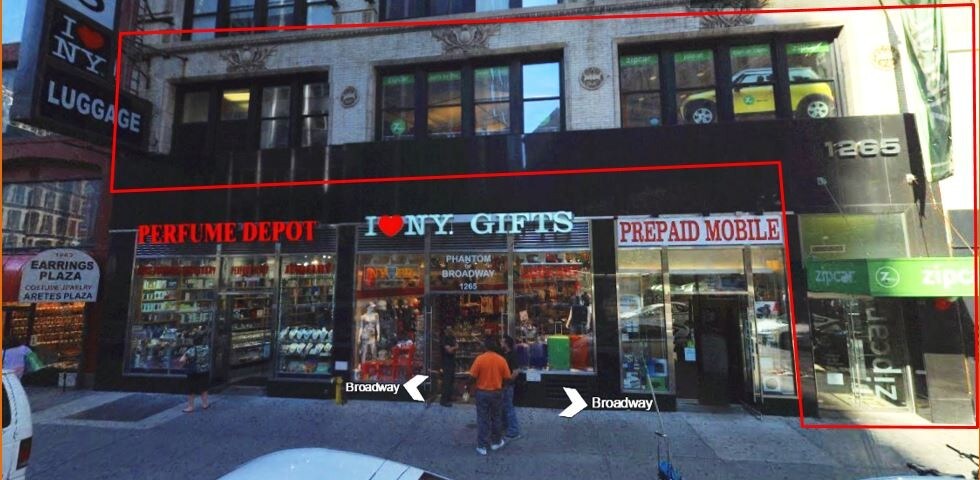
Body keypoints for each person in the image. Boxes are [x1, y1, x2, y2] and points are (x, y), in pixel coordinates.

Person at [468, 336, 511, 455]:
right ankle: (496, 442)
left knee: (483, 419)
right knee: (496, 418)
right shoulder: (501, 360)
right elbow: (507, 378)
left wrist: (468, 388)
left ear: (485, 346)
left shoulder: (480, 359)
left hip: (482, 393)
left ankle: (482, 446)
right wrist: (501, 387)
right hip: (497, 392)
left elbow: (472, 377)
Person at [179, 332, 211, 412]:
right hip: (204, 370)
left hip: (194, 371)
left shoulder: (192, 350)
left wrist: (184, 364)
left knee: (191, 389)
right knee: (204, 387)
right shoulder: (207, 348)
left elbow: (181, 360)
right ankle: (205, 404)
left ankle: (190, 407)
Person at [499, 335, 522, 440]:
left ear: (506, 344)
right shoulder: (505, 354)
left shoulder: (512, 355)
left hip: (508, 386)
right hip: (504, 385)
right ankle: (505, 426)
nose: (500, 343)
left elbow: (516, 371)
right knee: (504, 407)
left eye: (502, 342)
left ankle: (514, 431)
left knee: (508, 407)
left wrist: (508, 381)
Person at [439, 324, 458, 407]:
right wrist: (454, 348)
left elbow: (456, 346)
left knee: (450, 380)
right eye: (448, 328)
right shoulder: (444, 339)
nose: (450, 330)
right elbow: (449, 350)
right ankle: (444, 400)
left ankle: (449, 397)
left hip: (451, 361)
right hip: (446, 362)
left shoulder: (452, 338)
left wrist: (454, 347)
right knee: (446, 381)